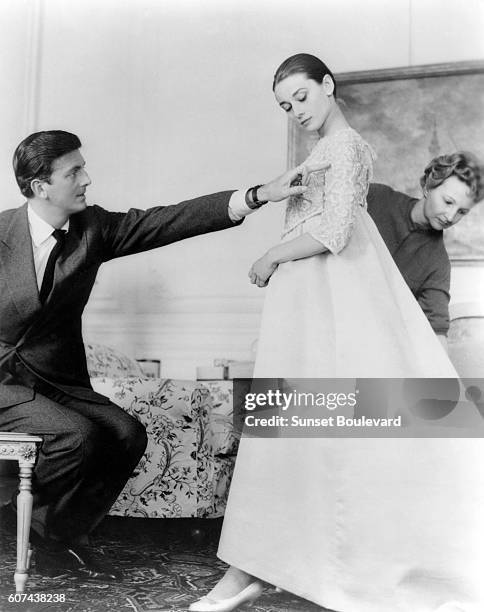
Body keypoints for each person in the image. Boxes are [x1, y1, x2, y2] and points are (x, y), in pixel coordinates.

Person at [190, 54, 484, 612]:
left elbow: (332, 231)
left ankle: (297, 565)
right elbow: (337, 226)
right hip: (316, 309)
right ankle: (262, 562)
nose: (296, 111)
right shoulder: (337, 163)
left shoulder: (346, 147)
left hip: (341, 316)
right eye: (285, 105)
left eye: (302, 97)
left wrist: (271, 256)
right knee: (292, 426)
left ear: (328, 86)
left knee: (331, 432)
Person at [0, 129, 314, 582]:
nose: (87, 178)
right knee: (77, 437)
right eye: (75, 171)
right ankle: (27, 527)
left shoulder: (93, 229)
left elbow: (171, 220)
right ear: (40, 187)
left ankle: (54, 534)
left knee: (127, 434)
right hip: (4, 384)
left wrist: (257, 195)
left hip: (56, 379)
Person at [367, 152, 483, 348]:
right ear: (429, 186)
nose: (450, 216)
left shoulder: (438, 264)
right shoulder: (376, 197)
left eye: (462, 212)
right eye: (448, 202)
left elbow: (437, 331)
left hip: (372, 342)